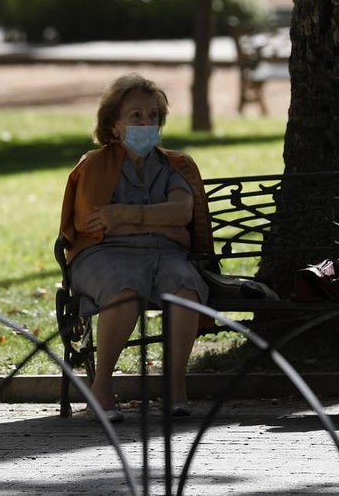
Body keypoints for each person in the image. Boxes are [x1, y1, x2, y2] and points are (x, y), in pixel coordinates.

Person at [58, 73, 211, 422]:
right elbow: (91, 223)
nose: (147, 123)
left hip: (164, 254)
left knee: (184, 287)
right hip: (101, 254)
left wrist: (125, 215)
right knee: (124, 288)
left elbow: (183, 212)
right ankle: (101, 388)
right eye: (136, 116)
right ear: (114, 126)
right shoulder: (94, 165)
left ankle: (175, 386)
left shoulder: (175, 165)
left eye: (153, 115)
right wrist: (163, 225)